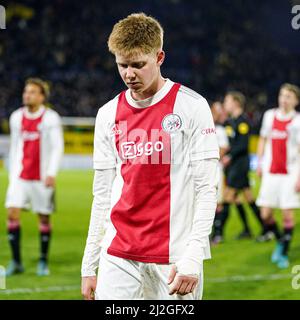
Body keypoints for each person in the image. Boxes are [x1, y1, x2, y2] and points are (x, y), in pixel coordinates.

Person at [81, 13, 219, 300]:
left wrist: (193, 257)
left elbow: (206, 189)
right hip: (118, 252)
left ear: (159, 57)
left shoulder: (192, 106)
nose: (129, 74)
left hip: (174, 255)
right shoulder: (107, 114)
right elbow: (103, 194)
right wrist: (89, 264)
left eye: (138, 65)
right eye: (122, 65)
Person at [5, 78, 64, 276]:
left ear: (41, 97)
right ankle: (16, 262)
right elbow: (15, 146)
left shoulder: (50, 118)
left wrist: (51, 173)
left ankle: (42, 261)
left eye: (31, 92)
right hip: (20, 177)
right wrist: (12, 172)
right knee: (12, 213)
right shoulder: (16, 117)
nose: (26, 95)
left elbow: (57, 147)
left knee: (44, 219)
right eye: (25, 91)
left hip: (41, 178)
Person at [256, 83, 300, 268]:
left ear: (296, 101)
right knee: (265, 214)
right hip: (270, 173)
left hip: (290, 173)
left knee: (287, 214)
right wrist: (259, 162)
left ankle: (282, 252)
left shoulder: (298, 121)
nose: (284, 99)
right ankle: (282, 240)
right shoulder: (269, 116)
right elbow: (263, 138)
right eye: (282, 95)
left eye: (289, 96)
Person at [215, 91, 267, 241]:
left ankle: (217, 233)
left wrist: (229, 155)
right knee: (246, 198)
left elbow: (243, 145)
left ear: (236, 103)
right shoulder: (231, 121)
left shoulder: (243, 121)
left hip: (240, 165)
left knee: (227, 198)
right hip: (234, 165)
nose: (225, 104)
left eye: (227, 101)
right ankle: (261, 228)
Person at [209, 101, 230, 244]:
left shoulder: (220, 130)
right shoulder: (201, 127)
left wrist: (210, 158)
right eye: (215, 111)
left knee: (218, 202)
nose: (217, 114)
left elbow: (224, 148)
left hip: (216, 169)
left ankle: (218, 233)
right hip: (201, 170)